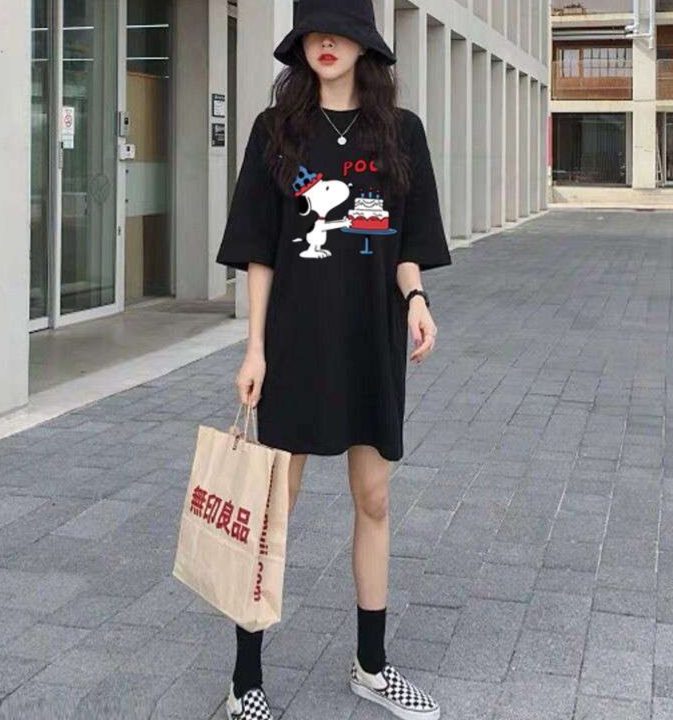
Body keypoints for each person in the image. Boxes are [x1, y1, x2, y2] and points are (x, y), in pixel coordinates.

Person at [216, 0, 451, 718]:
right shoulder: (276, 131)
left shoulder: (400, 132)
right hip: (294, 344)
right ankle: (246, 681)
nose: (326, 42)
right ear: (300, 43)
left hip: (371, 339)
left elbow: (406, 243)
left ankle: (371, 667)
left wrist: (416, 300)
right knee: (273, 510)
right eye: (314, 30)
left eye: (341, 30)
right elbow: (260, 251)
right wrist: (255, 349)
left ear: (364, 43)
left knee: (374, 499)